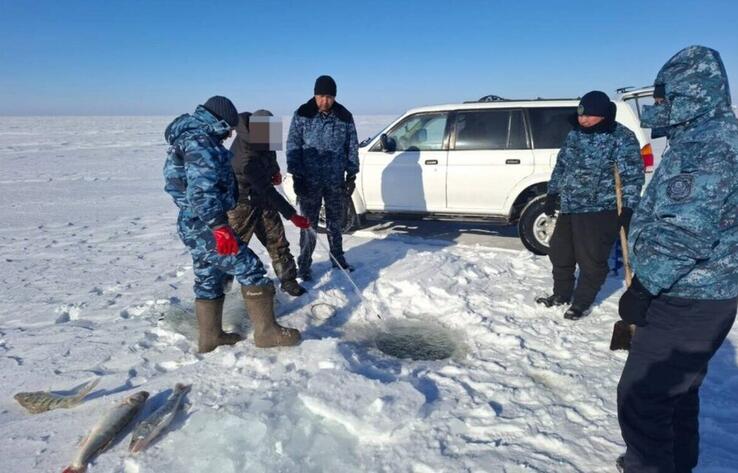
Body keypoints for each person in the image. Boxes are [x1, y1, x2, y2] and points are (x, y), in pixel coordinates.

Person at [616, 45, 738, 473]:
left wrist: (644, 286)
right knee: (677, 395)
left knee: (643, 399)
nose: (657, 106)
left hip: (688, 295)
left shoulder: (707, 145)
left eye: (665, 97)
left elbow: (686, 230)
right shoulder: (710, 135)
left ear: (691, 94)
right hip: (706, 293)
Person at [163, 96, 300, 353]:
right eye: (228, 128)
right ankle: (267, 333)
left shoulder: (192, 136)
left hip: (195, 221)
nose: (229, 135)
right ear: (219, 121)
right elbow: (201, 192)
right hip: (206, 224)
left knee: (208, 277)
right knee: (250, 267)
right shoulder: (201, 142)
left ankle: (211, 337)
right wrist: (219, 227)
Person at [536, 90, 644, 320]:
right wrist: (552, 192)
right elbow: (562, 165)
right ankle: (561, 295)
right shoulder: (575, 135)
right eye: (581, 115)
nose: (583, 120)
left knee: (591, 260)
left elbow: (633, 176)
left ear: (603, 115)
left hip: (600, 210)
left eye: (589, 116)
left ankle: (581, 302)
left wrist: (629, 207)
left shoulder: (621, 138)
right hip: (570, 205)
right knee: (560, 253)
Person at [228, 109, 311, 297]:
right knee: (233, 248)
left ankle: (288, 280)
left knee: (278, 241)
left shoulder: (263, 137)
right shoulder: (245, 157)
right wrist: (292, 215)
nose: (269, 142)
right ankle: (220, 287)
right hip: (242, 204)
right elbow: (265, 189)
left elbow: (269, 156)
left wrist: (274, 171)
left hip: (264, 201)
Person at [286, 75, 359, 280]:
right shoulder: (302, 114)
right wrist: (296, 175)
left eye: (328, 97)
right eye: (320, 96)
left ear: (334, 97)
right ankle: (305, 264)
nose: (324, 101)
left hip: (335, 179)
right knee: (308, 224)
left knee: (335, 222)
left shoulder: (344, 116)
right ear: (314, 94)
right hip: (309, 181)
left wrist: (352, 174)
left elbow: (351, 146)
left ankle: (338, 258)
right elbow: (293, 146)